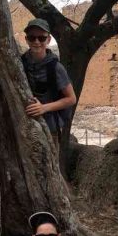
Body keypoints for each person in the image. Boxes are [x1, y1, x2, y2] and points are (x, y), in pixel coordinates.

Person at [22, 18, 77, 148]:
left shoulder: (56, 68)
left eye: (41, 38)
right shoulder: (19, 62)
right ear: (26, 39)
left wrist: (43, 108)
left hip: (50, 128)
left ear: (48, 40)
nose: (36, 42)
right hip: (24, 126)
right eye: (32, 38)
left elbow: (71, 99)